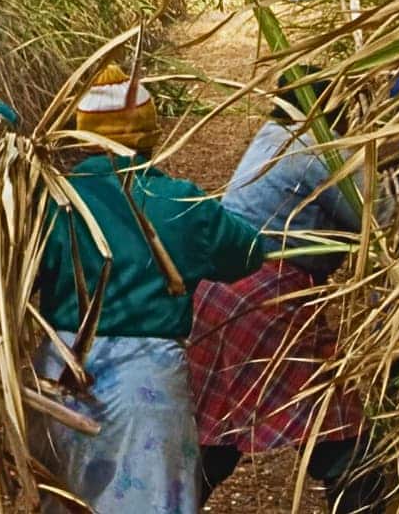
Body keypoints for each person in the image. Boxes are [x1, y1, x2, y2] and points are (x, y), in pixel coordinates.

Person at [31, 63, 266, 514]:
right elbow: (247, 253)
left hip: (61, 377)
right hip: (147, 385)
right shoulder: (180, 201)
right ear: (149, 132)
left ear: (83, 132)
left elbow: (18, 274)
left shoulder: (54, 200)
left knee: (69, 500)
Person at [189, 75, 388, 511]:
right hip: (266, 300)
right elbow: (383, 219)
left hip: (218, 293)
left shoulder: (271, 136)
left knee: (219, 426)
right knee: (334, 428)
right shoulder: (318, 151)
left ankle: (168, 501)